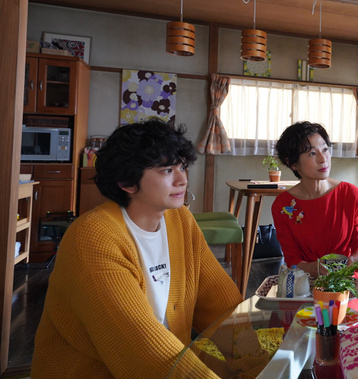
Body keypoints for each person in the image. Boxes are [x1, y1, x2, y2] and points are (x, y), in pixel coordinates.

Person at [32, 118, 242, 378]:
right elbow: (145, 351)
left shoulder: (180, 219)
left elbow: (221, 305)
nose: (182, 180)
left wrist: (258, 359)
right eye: (167, 170)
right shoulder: (93, 238)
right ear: (127, 182)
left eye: (182, 167)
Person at [271, 121, 358, 277]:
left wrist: (354, 260)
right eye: (312, 153)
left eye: (325, 149)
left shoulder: (350, 194)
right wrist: (312, 268)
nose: (323, 159)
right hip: (304, 282)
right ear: (293, 163)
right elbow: (292, 259)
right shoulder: (282, 205)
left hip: (344, 281)